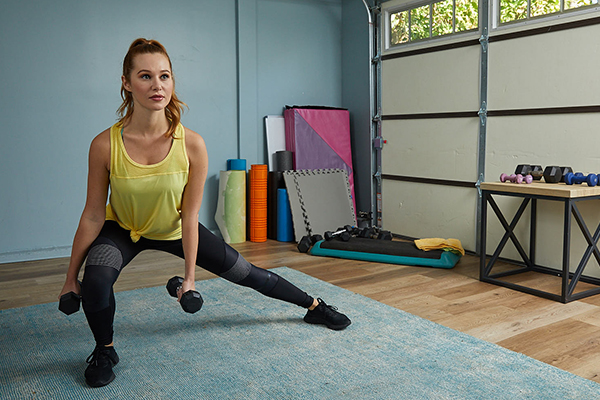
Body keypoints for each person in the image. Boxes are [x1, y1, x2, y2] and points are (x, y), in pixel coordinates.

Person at [58, 38, 351, 388]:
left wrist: (190, 279)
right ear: (126, 82)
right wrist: (69, 276)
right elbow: (93, 215)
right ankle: (104, 349)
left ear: (172, 81)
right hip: (123, 229)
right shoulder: (105, 144)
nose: (157, 86)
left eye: (164, 76)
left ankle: (313, 306)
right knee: (97, 280)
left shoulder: (191, 144)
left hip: (176, 229)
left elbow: (189, 216)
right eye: (145, 76)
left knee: (248, 273)